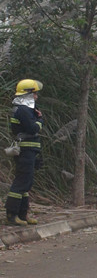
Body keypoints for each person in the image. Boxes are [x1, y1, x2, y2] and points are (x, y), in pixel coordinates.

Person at [5, 79, 44, 226]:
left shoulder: (26, 109)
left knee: (26, 183)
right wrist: (40, 120)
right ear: (27, 94)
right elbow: (33, 128)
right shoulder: (22, 110)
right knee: (21, 183)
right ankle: (11, 215)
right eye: (34, 94)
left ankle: (22, 215)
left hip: (29, 151)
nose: (36, 97)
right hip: (25, 151)